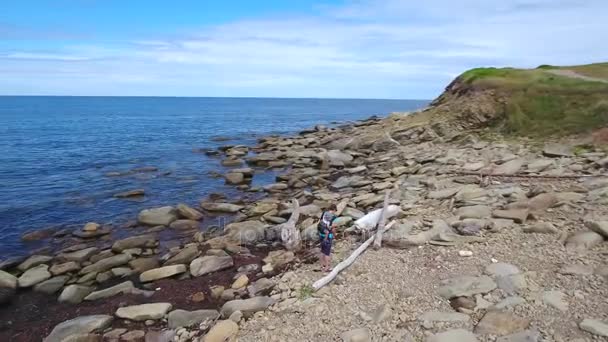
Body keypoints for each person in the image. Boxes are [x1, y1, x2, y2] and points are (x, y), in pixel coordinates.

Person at [318, 204, 337, 272]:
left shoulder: (324, 213)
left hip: (321, 234)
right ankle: (327, 267)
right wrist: (334, 235)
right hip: (328, 236)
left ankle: (321, 266)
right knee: (327, 252)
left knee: (322, 251)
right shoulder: (334, 217)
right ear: (334, 210)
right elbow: (333, 229)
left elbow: (320, 222)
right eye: (335, 211)